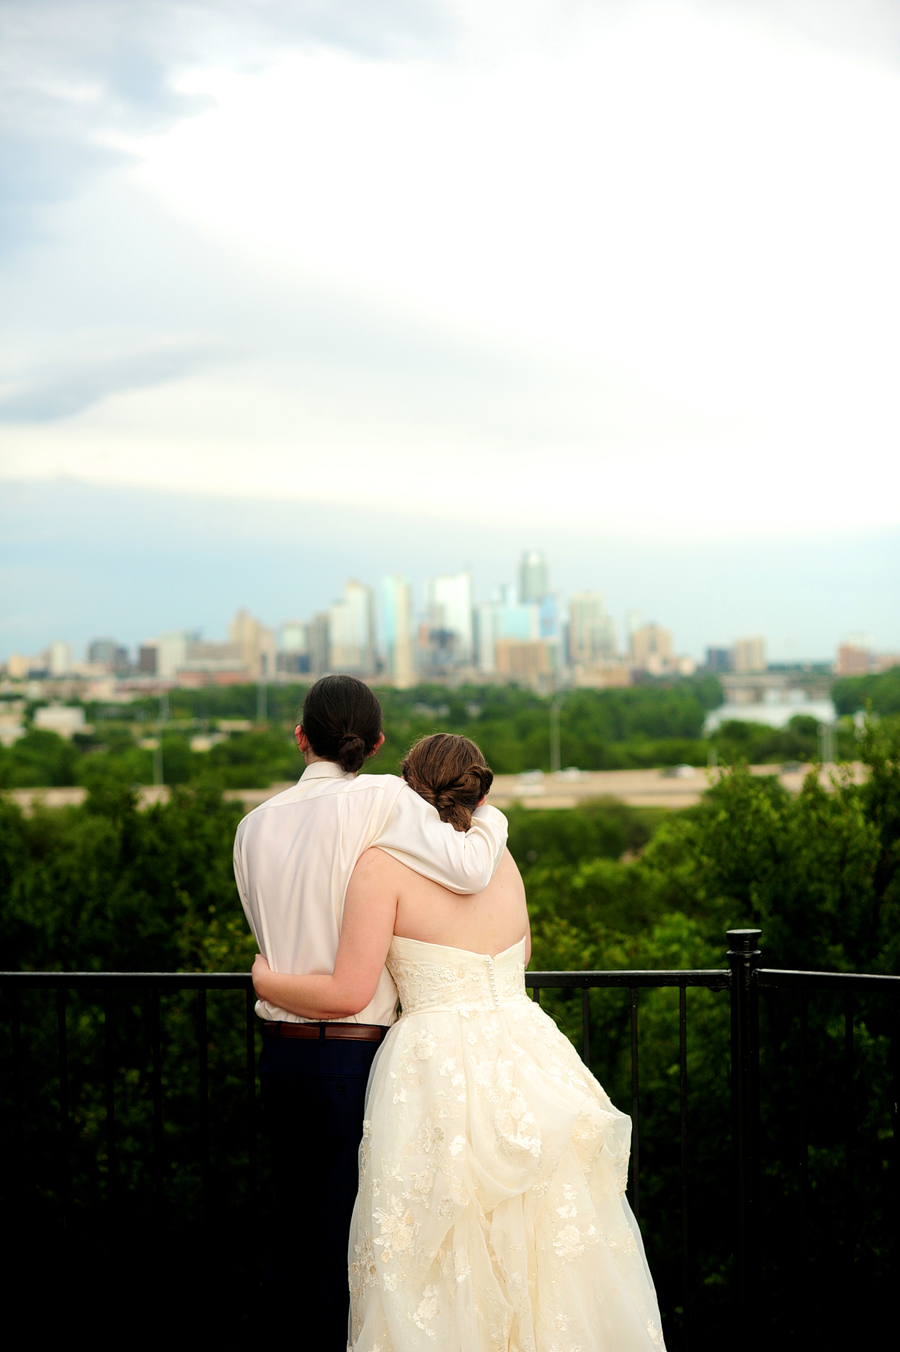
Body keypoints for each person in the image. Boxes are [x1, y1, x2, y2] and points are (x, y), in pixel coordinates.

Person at [253, 732, 667, 1352]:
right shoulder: (501, 859)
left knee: (435, 1249)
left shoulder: (381, 864)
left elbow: (349, 989)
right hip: (527, 1051)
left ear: (406, 786)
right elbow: (520, 954)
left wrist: (264, 977)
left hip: (433, 1063)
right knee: (543, 1240)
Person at [233, 681, 508, 1350]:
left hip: (279, 1050)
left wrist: (267, 979)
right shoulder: (386, 798)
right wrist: (495, 818)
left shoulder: (252, 825)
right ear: (378, 744)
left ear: (301, 737)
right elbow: (470, 870)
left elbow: (266, 930)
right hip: (356, 1054)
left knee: (291, 1231)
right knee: (351, 1239)